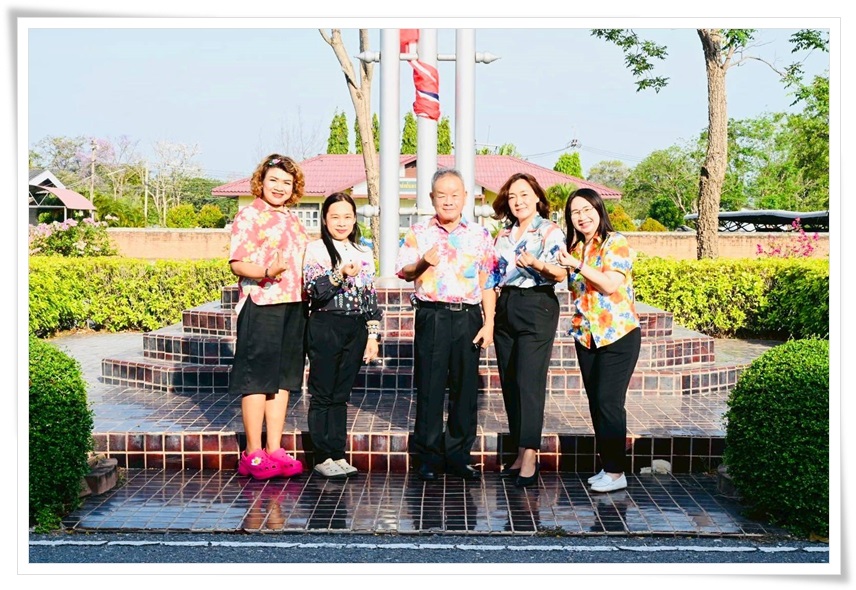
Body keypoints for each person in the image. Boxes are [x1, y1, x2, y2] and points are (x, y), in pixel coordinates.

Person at [396, 168, 498, 482]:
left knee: (465, 388)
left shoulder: (479, 235)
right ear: (432, 198)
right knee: (430, 386)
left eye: (455, 195)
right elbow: (405, 272)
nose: (448, 200)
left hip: (468, 316)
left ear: (465, 197)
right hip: (432, 315)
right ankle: (429, 457)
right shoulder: (418, 232)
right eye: (442, 195)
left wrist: (489, 323)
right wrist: (423, 261)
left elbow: (488, 282)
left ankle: (458, 456)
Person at [228, 154, 308, 480]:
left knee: (284, 379)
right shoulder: (249, 215)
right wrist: (265, 271)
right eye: (273, 180)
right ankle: (252, 452)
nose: (279, 187)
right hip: (261, 303)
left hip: (294, 304)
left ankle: (274, 448)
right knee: (257, 379)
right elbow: (237, 263)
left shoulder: (293, 219)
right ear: (260, 182)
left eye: (287, 183)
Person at [557, 187, 641, 493]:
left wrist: (577, 265)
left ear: (598, 210)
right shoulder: (577, 248)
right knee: (597, 403)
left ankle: (617, 473)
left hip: (618, 334)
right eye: (574, 212)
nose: (581, 217)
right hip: (587, 337)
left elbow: (609, 284)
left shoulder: (615, 242)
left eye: (586, 210)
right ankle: (608, 467)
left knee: (609, 402)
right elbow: (574, 289)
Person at [492, 172, 567, 488]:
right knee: (510, 380)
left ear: (537, 197)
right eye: (512, 196)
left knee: (528, 381)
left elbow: (560, 273)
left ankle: (531, 455)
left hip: (537, 305)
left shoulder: (549, 231)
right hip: (506, 305)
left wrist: (537, 265)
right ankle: (520, 451)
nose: (518, 201)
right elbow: (493, 275)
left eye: (524, 194)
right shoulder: (503, 235)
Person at [303, 192, 381, 479]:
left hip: (355, 328)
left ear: (355, 219)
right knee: (322, 393)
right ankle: (322, 456)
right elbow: (314, 291)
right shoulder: (315, 250)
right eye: (335, 216)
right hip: (325, 325)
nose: (341, 222)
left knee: (340, 394)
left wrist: (372, 336)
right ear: (325, 219)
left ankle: (337, 453)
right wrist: (339, 274)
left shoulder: (363, 252)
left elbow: (370, 297)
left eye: (347, 216)